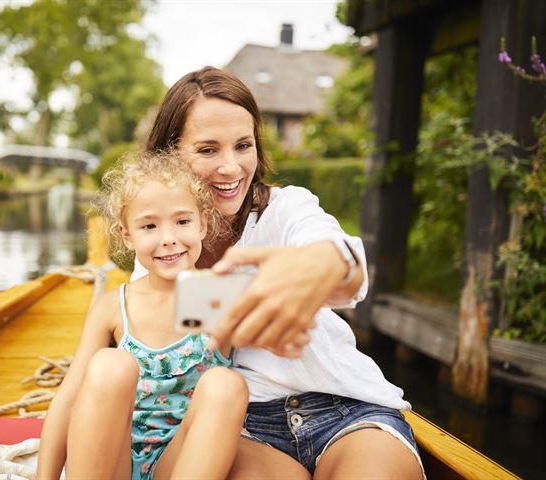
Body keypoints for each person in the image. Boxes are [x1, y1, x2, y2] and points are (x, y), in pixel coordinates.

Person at [132, 66, 425, 479]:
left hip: (346, 409)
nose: (232, 168)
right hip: (242, 425)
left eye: (243, 145)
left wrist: (320, 267)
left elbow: (348, 267)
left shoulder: (286, 208)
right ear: (170, 154)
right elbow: (155, 339)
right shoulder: (161, 246)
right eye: (208, 149)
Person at [37, 150, 252, 480]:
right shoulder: (114, 306)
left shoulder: (218, 299)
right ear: (127, 235)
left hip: (182, 462)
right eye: (149, 226)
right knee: (110, 365)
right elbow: (67, 401)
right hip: (112, 461)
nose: (168, 239)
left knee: (226, 384)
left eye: (182, 221)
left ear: (202, 224)